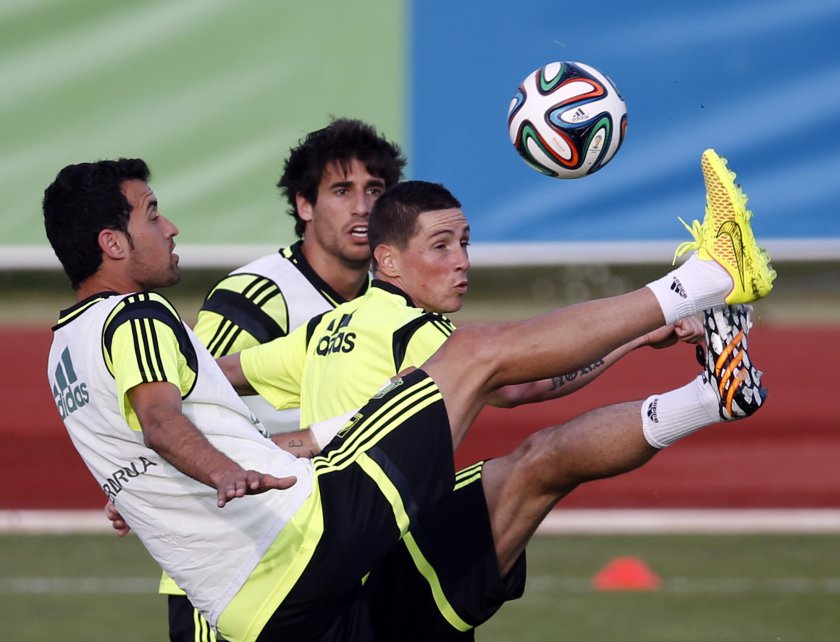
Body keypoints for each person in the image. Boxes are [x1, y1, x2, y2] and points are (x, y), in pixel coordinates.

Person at [44, 151, 773, 642]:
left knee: (530, 467)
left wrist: (163, 479)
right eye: (150, 214)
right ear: (112, 243)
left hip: (269, 603)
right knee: (481, 357)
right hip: (305, 537)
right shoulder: (135, 316)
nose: (169, 225)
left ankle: (711, 394)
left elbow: (191, 404)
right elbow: (163, 415)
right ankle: (710, 272)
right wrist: (211, 468)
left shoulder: (62, 351)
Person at [161, 117, 405, 642]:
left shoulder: (388, 305)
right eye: (342, 190)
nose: (363, 206)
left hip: (322, 557)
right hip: (230, 561)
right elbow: (185, 402)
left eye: (375, 191)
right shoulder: (258, 294)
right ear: (304, 205)